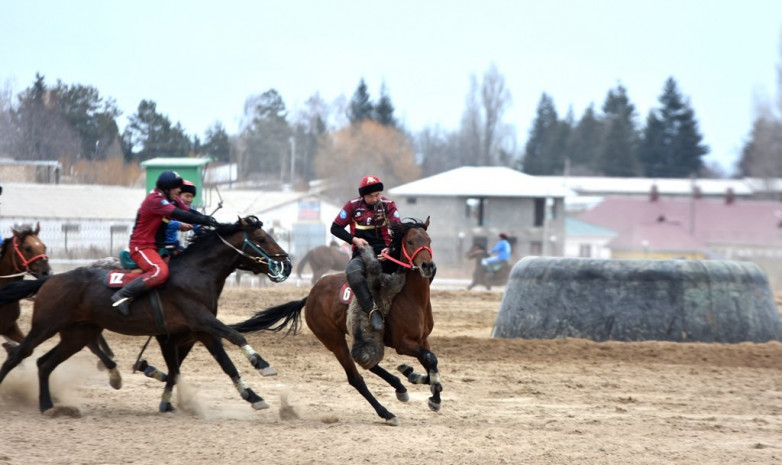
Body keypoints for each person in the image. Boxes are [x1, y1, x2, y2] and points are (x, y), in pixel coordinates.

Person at [111, 171, 219, 316]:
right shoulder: (155, 200)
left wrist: (210, 220)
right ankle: (122, 295)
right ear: (167, 188)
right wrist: (205, 220)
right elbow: (179, 215)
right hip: (141, 247)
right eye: (176, 187)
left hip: (156, 248)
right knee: (160, 272)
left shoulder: (170, 198)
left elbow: (188, 211)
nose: (180, 190)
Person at [330, 175, 400, 331]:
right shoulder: (352, 206)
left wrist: (390, 249)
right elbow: (335, 228)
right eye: (371, 196)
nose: (375, 199)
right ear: (363, 195)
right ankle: (372, 311)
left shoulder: (389, 205)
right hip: (362, 252)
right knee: (352, 272)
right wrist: (354, 240)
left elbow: (398, 230)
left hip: (386, 252)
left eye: (377, 195)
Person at [163, 179, 199, 253]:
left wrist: (201, 229)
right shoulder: (167, 206)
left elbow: (194, 222)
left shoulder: (189, 208)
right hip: (164, 244)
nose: (189, 200)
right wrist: (178, 225)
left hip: (177, 244)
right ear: (177, 196)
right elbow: (164, 221)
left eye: (192, 196)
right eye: (187, 196)